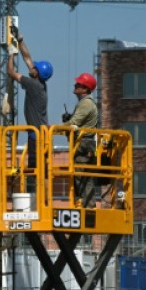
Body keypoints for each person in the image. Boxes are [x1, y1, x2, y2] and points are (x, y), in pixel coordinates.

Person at [6, 26, 52, 169]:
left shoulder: (32, 84)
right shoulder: (40, 83)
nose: (31, 67)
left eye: (34, 68)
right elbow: (27, 58)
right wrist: (19, 40)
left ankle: (41, 190)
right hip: (42, 133)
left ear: (36, 73)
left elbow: (11, 72)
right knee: (40, 168)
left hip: (36, 136)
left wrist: (12, 53)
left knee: (36, 169)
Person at [62, 72, 100, 207]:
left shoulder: (86, 104)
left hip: (84, 144)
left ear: (85, 88)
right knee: (80, 175)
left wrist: (55, 128)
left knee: (83, 176)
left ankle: (88, 206)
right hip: (83, 143)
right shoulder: (84, 103)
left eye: (78, 84)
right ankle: (84, 203)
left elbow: (75, 122)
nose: (75, 85)